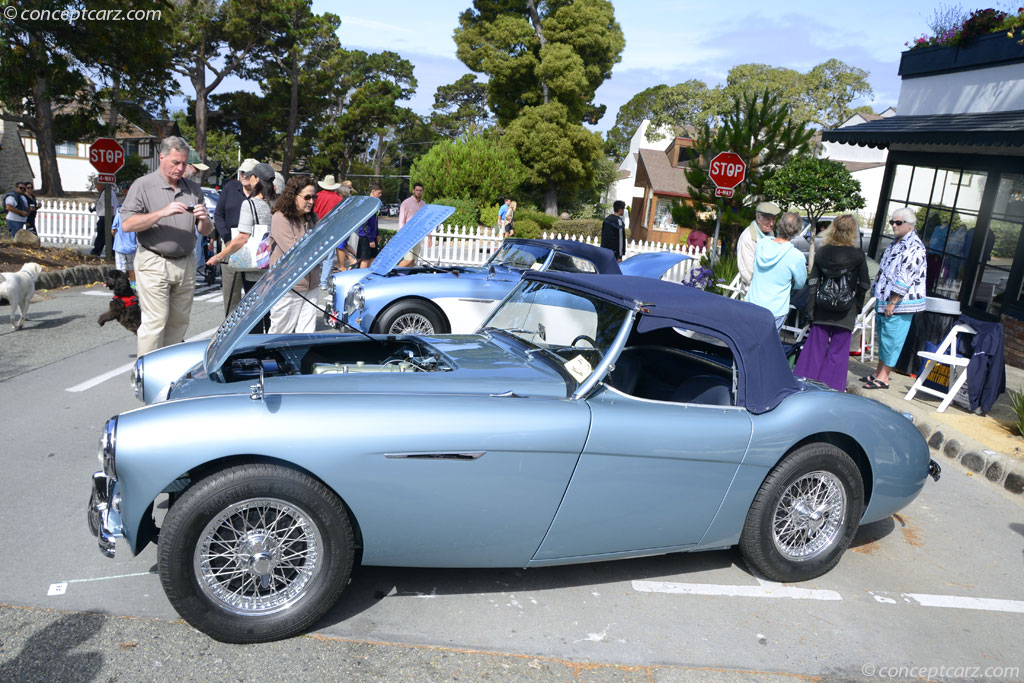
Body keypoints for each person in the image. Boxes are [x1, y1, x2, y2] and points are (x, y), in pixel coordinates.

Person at [120, 135, 213, 356]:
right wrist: (162, 212)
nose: (180, 169)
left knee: (179, 322)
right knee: (155, 321)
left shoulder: (192, 188)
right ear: (161, 157)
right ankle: (148, 374)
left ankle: (168, 372)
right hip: (154, 260)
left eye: (183, 163)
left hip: (186, 262)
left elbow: (205, 231)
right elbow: (127, 224)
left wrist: (204, 219)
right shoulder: (143, 185)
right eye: (175, 163)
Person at [793, 215, 871, 391]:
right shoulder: (858, 255)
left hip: (823, 308)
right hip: (846, 310)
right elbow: (864, 283)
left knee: (815, 349)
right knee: (839, 352)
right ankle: (831, 389)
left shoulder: (822, 252)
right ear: (852, 232)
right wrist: (856, 305)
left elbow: (813, 283)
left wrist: (812, 308)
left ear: (832, 229)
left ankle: (805, 385)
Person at [861, 208, 927, 390]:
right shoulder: (897, 242)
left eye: (898, 223)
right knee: (883, 336)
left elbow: (906, 275)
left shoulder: (914, 246)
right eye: (892, 222)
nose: (894, 226)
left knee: (892, 339)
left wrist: (893, 301)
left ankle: (884, 377)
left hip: (900, 303)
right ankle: (878, 372)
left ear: (909, 224)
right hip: (885, 298)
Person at [207, 162, 277, 331]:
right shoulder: (276, 203)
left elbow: (242, 238)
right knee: (268, 310)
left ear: (256, 179)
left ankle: (254, 346)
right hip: (272, 262)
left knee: (252, 311)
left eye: (251, 175)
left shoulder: (250, 204)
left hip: (254, 264)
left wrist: (219, 256)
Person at [267, 176, 319, 333]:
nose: (311, 201)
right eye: (307, 197)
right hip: (288, 286)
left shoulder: (312, 218)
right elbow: (294, 253)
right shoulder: (280, 218)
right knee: (280, 333)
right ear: (293, 196)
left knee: (307, 334)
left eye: (314, 197)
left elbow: (323, 248)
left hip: (312, 284)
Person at [746, 211, 807, 331]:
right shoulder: (796, 256)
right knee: (767, 346)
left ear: (779, 225)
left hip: (752, 303)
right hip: (775, 309)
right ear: (797, 231)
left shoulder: (762, 244)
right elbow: (800, 283)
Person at [214, 158, 258, 315]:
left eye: (248, 173)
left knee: (254, 294)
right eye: (242, 172)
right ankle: (229, 331)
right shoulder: (230, 187)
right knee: (231, 294)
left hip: (254, 247)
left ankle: (252, 331)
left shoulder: (261, 193)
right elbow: (218, 215)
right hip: (230, 245)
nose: (244, 175)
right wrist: (227, 239)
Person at [737, 202, 781, 289]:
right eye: (768, 219)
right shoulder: (747, 238)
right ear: (758, 217)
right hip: (754, 290)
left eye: (774, 219)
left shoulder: (769, 232)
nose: (772, 223)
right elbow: (747, 273)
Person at [186, 150, 213, 284]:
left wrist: (204, 219)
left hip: (188, 254)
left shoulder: (196, 191)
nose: (197, 174)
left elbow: (205, 228)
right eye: (195, 169)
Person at [397, 182, 427, 267]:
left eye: (420, 190)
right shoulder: (406, 203)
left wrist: (428, 236)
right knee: (408, 259)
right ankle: (393, 273)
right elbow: (401, 220)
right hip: (407, 235)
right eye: (417, 190)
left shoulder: (423, 204)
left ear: (423, 192)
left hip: (418, 235)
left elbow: (424, 221)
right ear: (413, 191)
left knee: (413, 260)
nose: (419, 192)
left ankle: (406, 277)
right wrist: (401, 235)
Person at [356, 183, 383, 268]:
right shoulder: (367, 203)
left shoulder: (375, 204)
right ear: (373, 191)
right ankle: (360, 277)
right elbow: (364, 224)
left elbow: (375, 221)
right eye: (379, 193)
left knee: (373, 257)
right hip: (365, 236)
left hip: (372, 235)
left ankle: (368, 276)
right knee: (365, 259)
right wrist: (370, 239)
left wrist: (377, 234)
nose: (380, 195)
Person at [90, 179, 120, 255]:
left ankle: (97, 251)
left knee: (101, 235)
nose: (96, 187)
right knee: (108, 236)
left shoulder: (107, 193)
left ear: (100, 185)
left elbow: (111, 206)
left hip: (106, 217)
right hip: (107, 216)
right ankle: (111, 252)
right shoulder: (106, 192)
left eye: (96, 185)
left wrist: (109, 218)